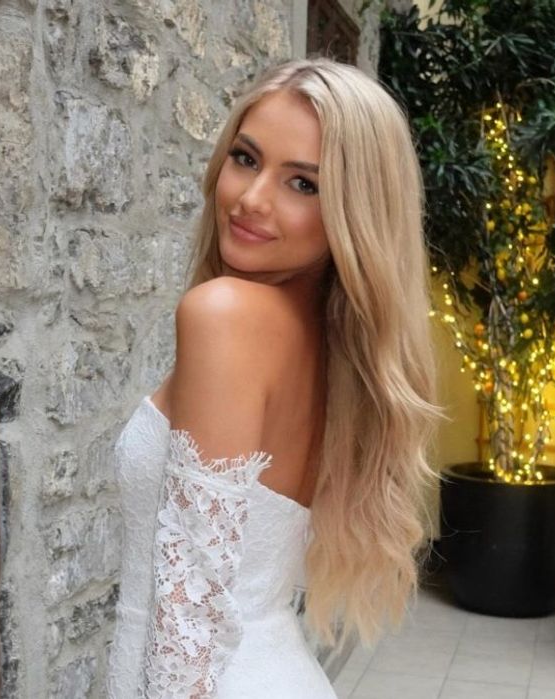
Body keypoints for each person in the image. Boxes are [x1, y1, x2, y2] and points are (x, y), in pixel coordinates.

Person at [108, 59, 440, 698]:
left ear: (355, 211)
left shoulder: (224, 315)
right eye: (246, 158)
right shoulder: (335, 350)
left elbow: (188, 628)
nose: (252, 199)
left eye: (304, 185)